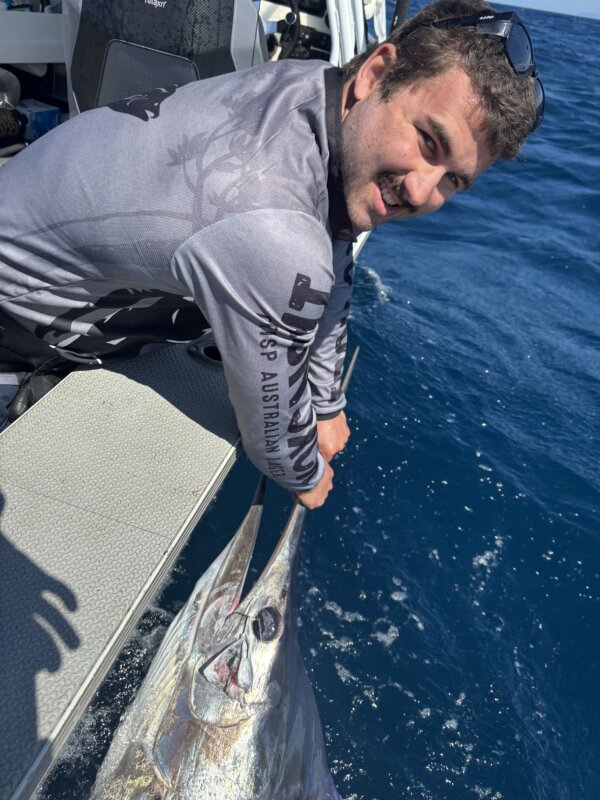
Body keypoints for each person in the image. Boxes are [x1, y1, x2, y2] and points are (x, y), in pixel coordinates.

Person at [0, 0, 543, 508]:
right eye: (428, 141)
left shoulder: (314, 89)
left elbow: (334, 244)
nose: (423, 191)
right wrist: (307, 475)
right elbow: (274, 439)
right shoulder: (274, 229)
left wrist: (326, 402)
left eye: (453, 178)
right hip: (17, 312)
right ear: (377, 74)